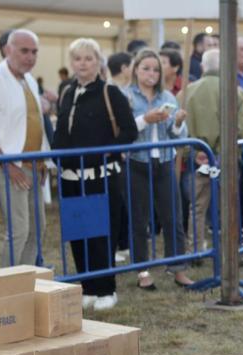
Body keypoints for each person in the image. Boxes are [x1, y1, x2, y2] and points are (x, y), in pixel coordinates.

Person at [53, 38, 138, 311]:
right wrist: (57, 157)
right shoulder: (67, 92)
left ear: (98, 62)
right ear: (71, 63)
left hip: (100, 176)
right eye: (78, 59)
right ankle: (87, 285)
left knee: (102, 234)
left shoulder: (110, 93)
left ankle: (105, 288)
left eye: (88, 58)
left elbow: (129, 132)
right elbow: (61, 132)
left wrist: (105, 152)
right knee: (79, 233)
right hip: (70, 176)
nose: (83, 64)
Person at [0, 29, 52, 267]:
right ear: (8, 50)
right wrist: (7, 165)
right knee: (19, 230)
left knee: (37, 229)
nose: (30, 57)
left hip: (33, 166)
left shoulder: (29, 79)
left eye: (34, 52)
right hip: (9, 168)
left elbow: (36, 121)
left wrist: (43, 161)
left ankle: (27, 281)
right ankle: (8, 286)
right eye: (24, 51)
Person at [125, 48, 194, 289]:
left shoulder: (169, 97)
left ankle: (177, 268)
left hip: (164, 162)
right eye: (146, 68)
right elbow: (124, 132)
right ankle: (142, 270)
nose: (151, 73)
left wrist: (177, 122)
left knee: (172, 217)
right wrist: (145, 119)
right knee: (139, 220)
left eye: (155, 69)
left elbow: (177, 135)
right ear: (136, 70)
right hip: (136, 162)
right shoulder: (127, 97)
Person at [184, 48, 243, 252]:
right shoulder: (236, 92)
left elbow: (180, 130)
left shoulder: (186, 93)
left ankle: (195, 248)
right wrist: (224, 154)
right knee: (229, 206)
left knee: (197, 207)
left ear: (203, 66)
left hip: (198, 159)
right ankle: (231, 248)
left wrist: (195, 154)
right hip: (227, 159)